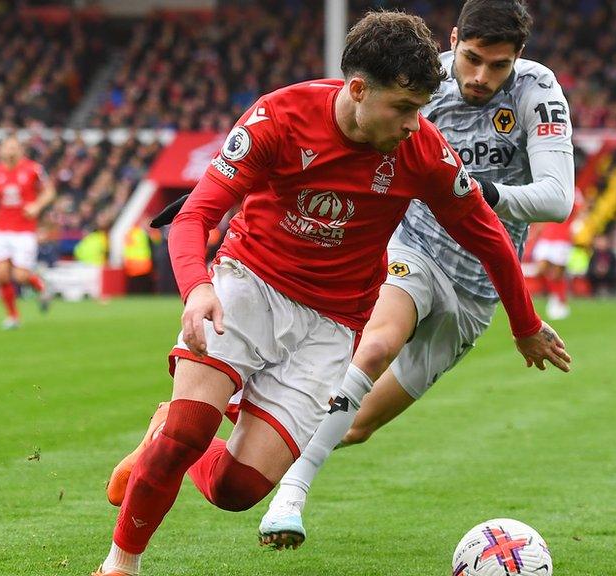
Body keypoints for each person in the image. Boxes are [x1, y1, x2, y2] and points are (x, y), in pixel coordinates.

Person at [92, 11, 570, 576]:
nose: (416, 125)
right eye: (403, 109)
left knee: (237, 488)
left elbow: (490, 238)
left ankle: (162, 428)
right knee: (189, 432)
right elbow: (197, 213)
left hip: (333, 324)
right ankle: (120, 563)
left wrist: (524, 325)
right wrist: (198, 287)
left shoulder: (422, 152)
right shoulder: (280, 116)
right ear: (359, 90)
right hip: (249, 286)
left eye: (421, 109)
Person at [0, 136, 56, 329]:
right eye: (7, 148)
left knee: (21, 276)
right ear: (0, 151)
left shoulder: (33, 169)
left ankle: (41, 286)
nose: (10, 151)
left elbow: (49, 191)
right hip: (1, 230)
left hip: (24, 231)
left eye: (14, 147)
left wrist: (37, 205)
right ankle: (13, 317)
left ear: (21, 150)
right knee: (0, 275)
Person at [533, 187, 583, 320]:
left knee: (557, 274)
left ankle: (560, 300)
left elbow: (578, 210)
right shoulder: (550, 185)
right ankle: (555, 295)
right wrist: (537, 230)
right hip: (546, 236)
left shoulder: (574, 191)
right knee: (540, 269)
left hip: (562, 238)